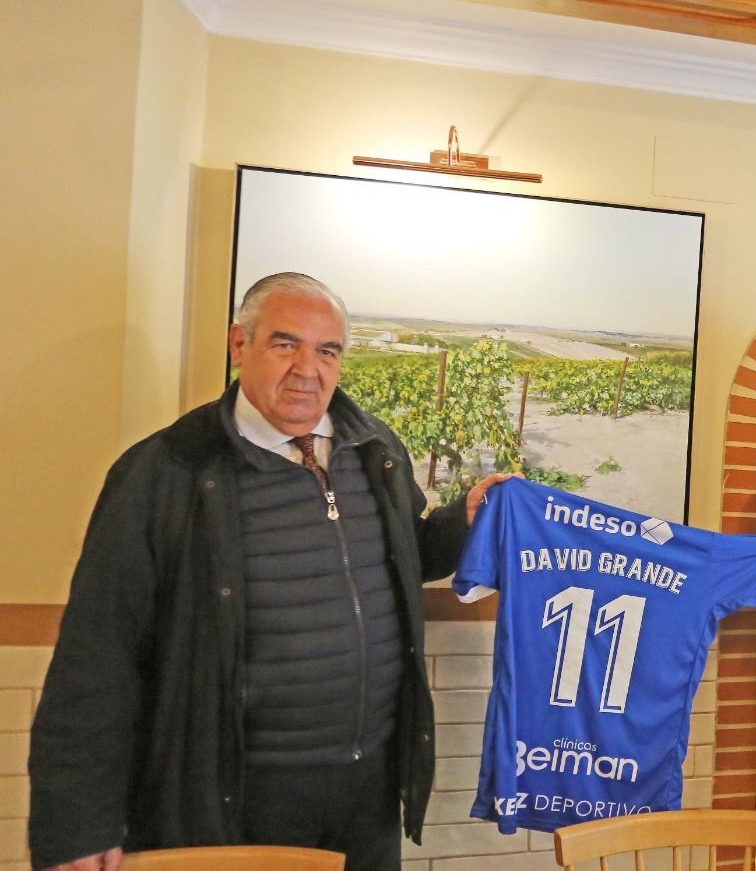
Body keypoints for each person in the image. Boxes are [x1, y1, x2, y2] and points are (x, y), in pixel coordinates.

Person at [29, 273, 508, 871]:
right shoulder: (165, 472)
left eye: (327, 350)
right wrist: (76, 823)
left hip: (370, 789)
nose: (308, 369)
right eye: (286, 344)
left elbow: (402, 553)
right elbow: (98, 655)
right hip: (234, 796)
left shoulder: (373, 449)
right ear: (239, 346)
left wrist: (465, 521)